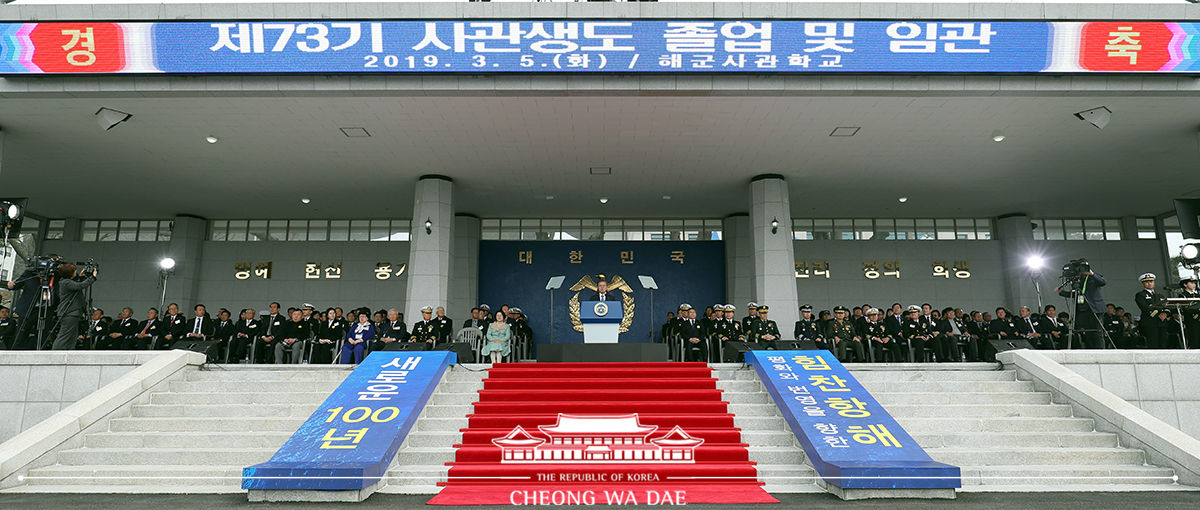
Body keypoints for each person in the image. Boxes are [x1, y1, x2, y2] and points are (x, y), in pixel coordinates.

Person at [1056, 262, 1108, 349]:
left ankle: (1101, 351)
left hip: (1094, 308)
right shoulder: (1078, 280)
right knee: (1086, 333)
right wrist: (1062, 292)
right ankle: (1090, 350)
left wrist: (1092, 274)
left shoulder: (1093, 277)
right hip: (1082, 310)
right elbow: (1076, 293)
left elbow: (1103, 282)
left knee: (1097, 332)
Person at [51, 263, 97, 350]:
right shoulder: (65, 283)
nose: (76, 272)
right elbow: (80, 286)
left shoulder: (66, 282)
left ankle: (69, 350)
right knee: (65, 334)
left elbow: (77, 284)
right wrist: (93, 277)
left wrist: (81, 277)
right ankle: (55, 352)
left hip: (72, 312)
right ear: (70, 273)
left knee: (72, 335)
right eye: (75, 271)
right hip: (69, 312)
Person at [1135, 273, 1170, 349]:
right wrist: (1158, 314)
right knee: (1153, 344)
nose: (1149, 283)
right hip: (1150, 322)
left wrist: (1165, 313)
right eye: (1147, 282)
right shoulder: (1140, 295)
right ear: (1143, 284)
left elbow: (1166, 306)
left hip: (1162, 322)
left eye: (1151, 281)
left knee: (1163, 344)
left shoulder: (1160, 295)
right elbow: (1145, 308)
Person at [1177, 277, 1200, 348]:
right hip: (1191, 320)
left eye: (1195, 283)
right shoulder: (1183, 296)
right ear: (1185, 284)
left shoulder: (1198, 294)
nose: (1194, 285)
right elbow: (1186, 309)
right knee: (1195, 339)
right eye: (1191, 283)